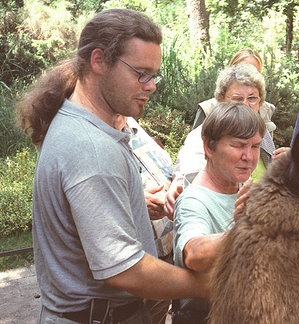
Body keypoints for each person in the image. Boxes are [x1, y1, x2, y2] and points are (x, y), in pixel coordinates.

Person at [15, 9, 209, 323]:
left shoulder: (81, 127)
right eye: (141, 73)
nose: (152, 86)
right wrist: (212, 285)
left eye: (154, 75)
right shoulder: (90, 147)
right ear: (98, 61)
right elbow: (124, 269)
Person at [171, 102, 265, 323]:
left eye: (255, 146)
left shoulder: (241, 188)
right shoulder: (194, 200)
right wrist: (248, 229)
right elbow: (195, 255)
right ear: (209, 148)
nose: (249, 157)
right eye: (238, 145)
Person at [165, 63, 275, 216]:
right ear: (221, 100)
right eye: (237, 99)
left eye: (252, 98)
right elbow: (189, 178)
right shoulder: (202, 136)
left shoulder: (263, 135)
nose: (245, 105)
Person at [114, 115, 174, 324]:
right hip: (130, 269)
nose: (149, 86)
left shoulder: (133, 127)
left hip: (161, 255)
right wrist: (137, 202)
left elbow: (167, 169)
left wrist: (172, 187)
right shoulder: (91, 134)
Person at [192, 48, 276, 135]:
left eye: (254, 72)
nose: (247, 76)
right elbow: (194, 145)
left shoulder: (266, 109)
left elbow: (266, 147)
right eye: (242, 69)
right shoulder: (208, 109)